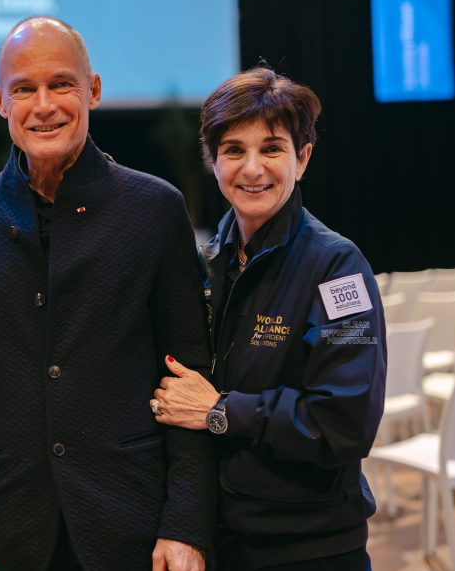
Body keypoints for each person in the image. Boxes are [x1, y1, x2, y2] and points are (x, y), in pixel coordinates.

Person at [0, 16, 215, 571]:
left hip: (132, 519)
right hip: (1, 524)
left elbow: (189, 377)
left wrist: (186, 523)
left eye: (62, 84)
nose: (44, 104)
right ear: (0, 102)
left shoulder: (155, 210)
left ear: (94, 91)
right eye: (24, 89)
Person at [151, 67, 386, 570]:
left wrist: (221, 410)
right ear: (213, 163)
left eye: (272, 148)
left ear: (302, 159)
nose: (252, 167)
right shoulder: (211, 260)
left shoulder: (337, 268)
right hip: (225, 539)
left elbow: (344, 425)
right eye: (233, 150)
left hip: (311, 547)